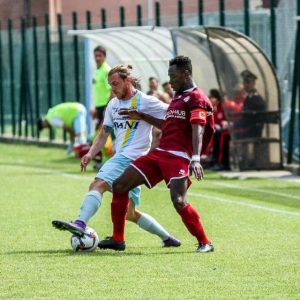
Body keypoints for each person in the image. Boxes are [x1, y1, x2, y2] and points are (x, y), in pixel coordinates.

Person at [52, 64, 181, 249]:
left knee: (97, 184)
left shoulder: (145, 101)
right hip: (132, 162)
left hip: (130, 157)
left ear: (127, 80)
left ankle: (80, 223)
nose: (113, 88)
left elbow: (174, 115)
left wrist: (147, 117)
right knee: (130, 213)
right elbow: (104, 134)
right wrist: (90, 153)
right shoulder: (113, 104)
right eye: (110, 85)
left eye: (115, 83)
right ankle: (168, 238)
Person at [98, 56, 215, 253]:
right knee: (120, 184)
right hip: (160, 153)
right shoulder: (177, 97)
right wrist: (143, 116)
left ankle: (205, 242)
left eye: (173, 76)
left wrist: (195, 158)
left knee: (178, 201)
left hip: (179, 156)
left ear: (186, 73)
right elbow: (169, 126)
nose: (170, 81)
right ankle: (118, 239)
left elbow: (198, 128)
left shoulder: (197, 98)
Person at [234, 70, 266, 139]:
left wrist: (235, 124)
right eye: (244, 82)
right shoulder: (249, 97)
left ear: (253, 83)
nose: (246, 85)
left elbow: (249, 119)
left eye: (248, 82)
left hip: (252, 132)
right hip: (247, 130)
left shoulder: (255, 99)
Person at [209, 89, 230, 171]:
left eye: (211, 97)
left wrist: (227, 122)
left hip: (229, 131)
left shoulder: (225, 106)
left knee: (220, 136)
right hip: (219, 131)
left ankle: (221, 162)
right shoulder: (215, 108)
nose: (210, 99)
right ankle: (214, 161)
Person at [92, 45, 112, 129]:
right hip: (98, 106)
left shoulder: (106, 70)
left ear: (105, 57)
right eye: (96, 56)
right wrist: (95, 107)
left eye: (100, 56)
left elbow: (112, 90)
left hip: (105, 106)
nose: (97, 58)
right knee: (99, 132)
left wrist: (107, 108)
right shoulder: (97, 70)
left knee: (104, 133)